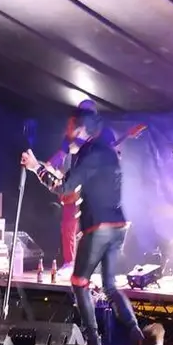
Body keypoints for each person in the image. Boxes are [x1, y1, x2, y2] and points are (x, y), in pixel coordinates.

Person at [22, 107, 142, 345]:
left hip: (99, 225)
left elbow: (63, 187)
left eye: (70, 128)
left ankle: (94, 344)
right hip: (118, 225)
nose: (67, 134)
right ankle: (137, 335)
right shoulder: (106, 151)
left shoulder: (89, 153)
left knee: (79, 282)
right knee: (109, 286)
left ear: (80, 129)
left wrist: (36, 168)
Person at [44, 100, 116, 271]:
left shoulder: (104, 133)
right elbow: (61, 154)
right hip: (75, 181)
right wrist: (49, 166)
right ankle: (69, 262)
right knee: (68, 224)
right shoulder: (73, 133)